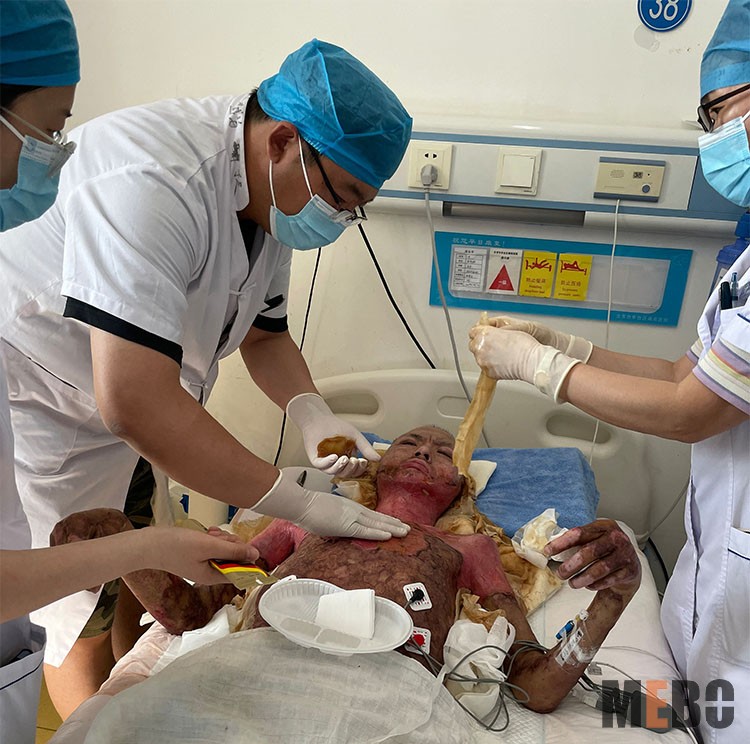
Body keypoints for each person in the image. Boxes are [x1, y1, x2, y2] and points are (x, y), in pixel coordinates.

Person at [0, 37, 413, 717]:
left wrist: (311, 409)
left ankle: (132, 675)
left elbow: (264, 333)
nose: (341, 219)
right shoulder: (152, 180)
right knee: (78, 612)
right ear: (282, 141)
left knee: (139, 570)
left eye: (356, 206)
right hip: (50, 407)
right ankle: (92, 724)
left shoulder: (268, 198)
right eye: (343, 197)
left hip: (139, 409)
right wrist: (295, 503)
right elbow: (134, 402)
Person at [468, 2, 749, 741]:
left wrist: (538, 367)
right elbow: (683, 374)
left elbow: (691, 410)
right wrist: (567, 345)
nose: (713, 131)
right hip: (715, 592)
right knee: (687, 709)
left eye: (719, 109)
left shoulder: (477, 547)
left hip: (741, 613)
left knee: (719, 714)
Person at [53, 425, 641, 728]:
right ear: (375, 467)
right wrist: (121, 544)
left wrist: (612, 600)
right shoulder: (300, 523)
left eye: (442, 452)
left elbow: (533, 686)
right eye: (408, 443)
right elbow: (193, 612)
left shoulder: (468, 549)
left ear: (459, 487)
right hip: (255, 671)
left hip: (384, 694)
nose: (424, 452)